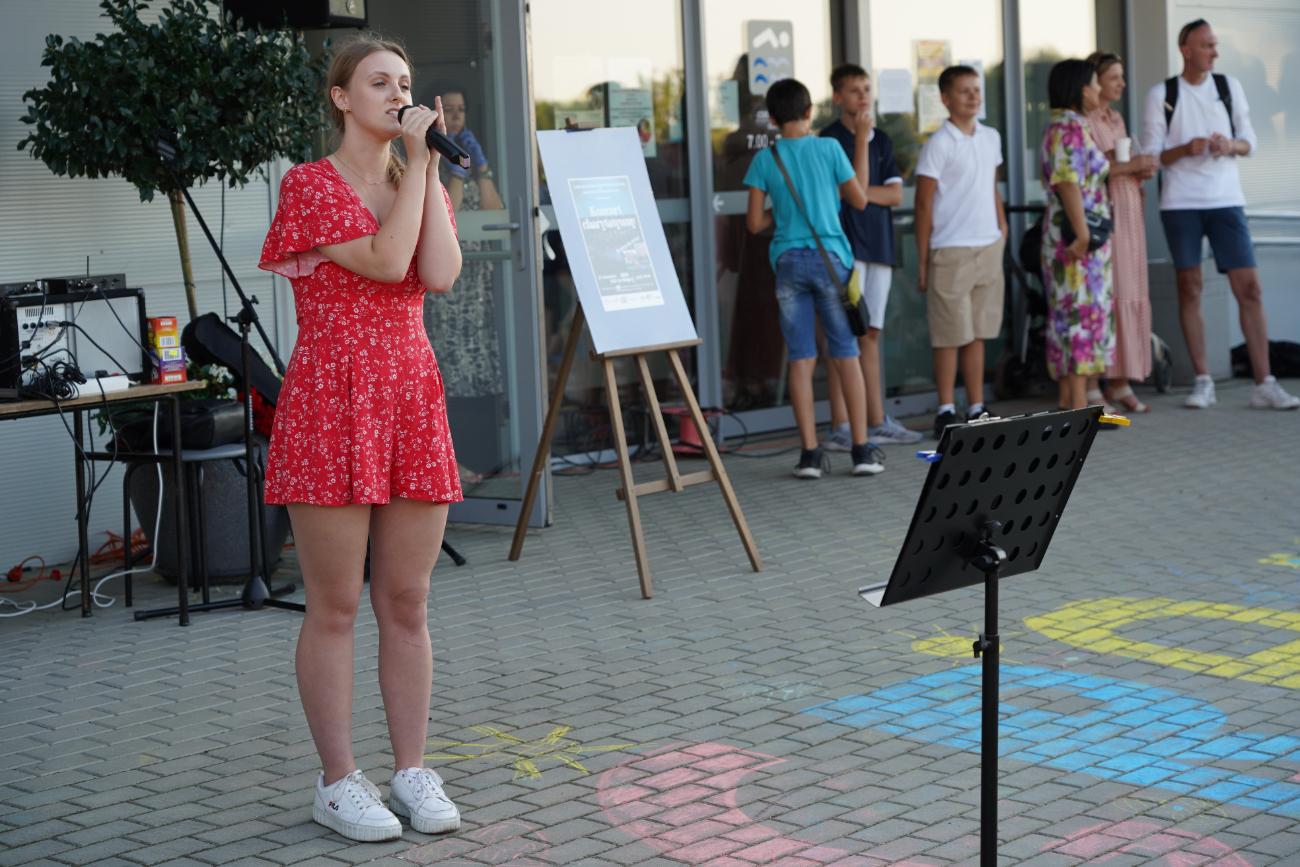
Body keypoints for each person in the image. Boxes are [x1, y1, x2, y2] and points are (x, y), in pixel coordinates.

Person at [257, 35, 464, 843]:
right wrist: (415, 166)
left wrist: (427, 167)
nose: (397, 93)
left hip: (411, 394)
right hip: (333, 400)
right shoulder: (308, 185)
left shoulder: (418, 178)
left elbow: (437, 274)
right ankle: (338, 779)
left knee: (407, 600)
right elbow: (384, 261)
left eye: (406, 82)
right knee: (336, 604)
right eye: (379, 82)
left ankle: (411, 768)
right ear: (342, 97)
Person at [1141, 19, 1299, 410]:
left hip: (1227, 200)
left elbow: (1251, 143)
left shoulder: (1229, 87)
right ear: (1186, 50)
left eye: (1215, 44)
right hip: (1180, 204)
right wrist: (1186, 148)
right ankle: (1203, 380)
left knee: (1251, 289)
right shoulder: (1163, 93)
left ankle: (1265, 383)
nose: (1215, 51)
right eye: (1207, 45)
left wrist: (1230, 145)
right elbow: (1151, 157)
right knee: (1190, 289)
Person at [743, 77, 881, 479]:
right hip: (831, 261)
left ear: (771, 119)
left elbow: (754, 224)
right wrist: (862, 140)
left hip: (787, 262)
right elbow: (858, 199)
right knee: (845, 354)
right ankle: (861, 451)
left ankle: (809, 456)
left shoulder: (765, 160)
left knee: (802, 359)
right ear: (809, 112)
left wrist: (783, 214)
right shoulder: (829, 148)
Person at [818, 63, 922, 448]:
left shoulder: (882, 140)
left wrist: (862, 192)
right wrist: (861, 143)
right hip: (845, 249)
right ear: (837, 98)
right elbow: (856, 193)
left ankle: (875, 420)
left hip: (880, 246)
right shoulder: (829, 140)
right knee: (841, 336)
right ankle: (840, 425)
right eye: (853, 90)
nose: (863, 96)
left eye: (866, 88)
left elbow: (892, 195)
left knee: (871, 333)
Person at [914, 65, 1009, 439]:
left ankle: (976, 405)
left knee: (978, 331)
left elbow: (991, 186)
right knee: (949, 333)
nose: (973, 96)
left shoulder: (991, 137)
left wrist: (1001, 229)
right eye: (964, 91)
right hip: (950, 249)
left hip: (987, 245)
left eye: (976, 89)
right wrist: (922, 260)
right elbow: (923, 205)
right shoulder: (938, 144)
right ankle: (945, 408)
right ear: (945, 98)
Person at [1086, 51, 1159, 413]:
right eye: (1115, 77)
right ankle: (1094, 387)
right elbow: (1088, 170)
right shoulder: (1082, 121)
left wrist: (1139, 168)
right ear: (1096, 81)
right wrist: (1128, 165)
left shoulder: (1114, 117)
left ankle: (1120, 381)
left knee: (1130, 290)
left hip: (1128, 210)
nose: (1122, 84)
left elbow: (1120, 163)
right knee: (1108, 296)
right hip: (1103, 213)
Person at [1039, 60, 1113, 410]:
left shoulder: (1069, 126)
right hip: (1074, 241)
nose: (1100, 90)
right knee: (1077, 318)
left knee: (1075, 318)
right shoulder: (1067, 128)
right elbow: (1067, 183)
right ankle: (1078, 409)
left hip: (1075, 239)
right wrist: (1083, 236)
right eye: (1097, 83)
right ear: (1083, 89)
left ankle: (1073, 405)